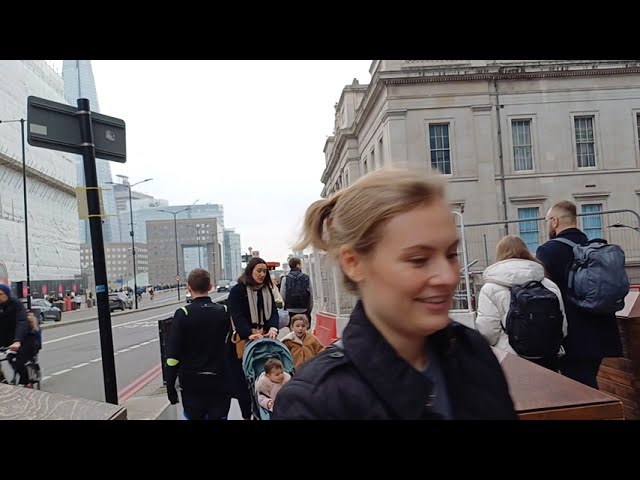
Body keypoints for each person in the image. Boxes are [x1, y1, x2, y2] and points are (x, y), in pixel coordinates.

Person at [272, 167, 517, 420]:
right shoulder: (314, 405)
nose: (448, 276)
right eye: (419, 259)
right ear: (353, 262)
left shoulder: (472, 351)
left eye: (451, 254)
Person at [536, 200, 623, 389]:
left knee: (579, 391)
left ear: (555, 221)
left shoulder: (547, 251)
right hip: (601, 332)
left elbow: (544, 295)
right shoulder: (594, 248)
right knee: (588, 382)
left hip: (571, 336)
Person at [476, 235, 567, 372]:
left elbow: (488, 332)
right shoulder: (549, 285)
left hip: (511, 361)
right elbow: (563, 327)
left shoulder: (490, 289)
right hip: (547, 357)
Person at [165, 268, 232, 420]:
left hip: (192, 382)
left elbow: (173, 355)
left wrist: (170, 387)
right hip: (220, 380)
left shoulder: (183, 313)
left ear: (189, 287)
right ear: (210, 287)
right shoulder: (224, 311)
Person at [226, 257, 280, 419]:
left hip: (263, 339)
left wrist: (273, 327)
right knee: (243, 382)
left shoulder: (266, 290)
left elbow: (273, 313)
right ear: (250, 271)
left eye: (265, 271)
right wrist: (248, 333)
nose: (262, 274)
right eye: (259, 271)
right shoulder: (238, 290)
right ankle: (246, 415)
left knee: (264, 378)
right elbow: (237, 315)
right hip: (243, 342)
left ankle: (263, 411)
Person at [0, 284, 28, 384]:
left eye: (1, 294)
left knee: (15, 360)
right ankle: (2, 379)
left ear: (7, 294)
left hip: (19, 337)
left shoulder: (16, 304)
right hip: (3, 337)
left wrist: (17, 341)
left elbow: (21, 321)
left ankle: (25, 382)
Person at [8, 310, 42, 386]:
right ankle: (18, 371)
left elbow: (37, 340)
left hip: (31, 347)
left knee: (30, 360)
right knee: (10, 357)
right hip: (19, 346)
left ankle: (33, 374)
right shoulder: (17, 326)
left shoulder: (33, 328)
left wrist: (38, 347)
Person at [280, 257, 313, 327]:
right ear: (297, 265)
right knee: (304, 330)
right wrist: (309, 309)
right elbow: (311, 295)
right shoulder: (306, 277)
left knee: (293, 331)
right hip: (304, 309)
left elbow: (282, 296)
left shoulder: (285, 278)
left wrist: (284, 309)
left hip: (290, 310)